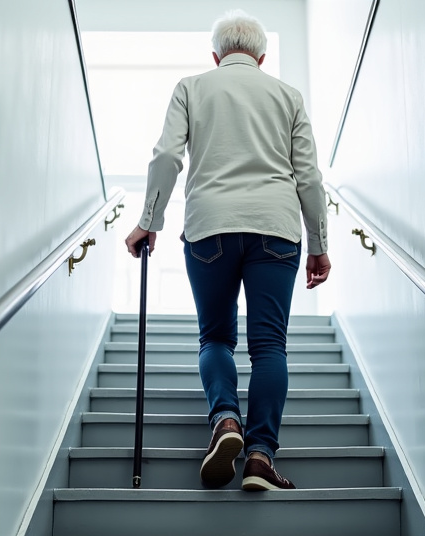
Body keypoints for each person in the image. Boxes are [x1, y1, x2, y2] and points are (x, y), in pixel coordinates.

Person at [125, 9, 330, 491]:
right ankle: (260, 457)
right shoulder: (287, 96)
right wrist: (319, 245)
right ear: (262, 56)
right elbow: (311, 179)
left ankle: (226, 422)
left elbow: (167, 157)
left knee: (215, 338)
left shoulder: (192, 87)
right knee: (269, 346)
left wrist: (147, 222)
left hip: (210, 227)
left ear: (215, 56)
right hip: (276, 228)